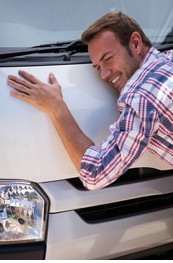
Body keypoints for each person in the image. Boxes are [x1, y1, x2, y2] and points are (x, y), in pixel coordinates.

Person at [7, 12, 173, 190]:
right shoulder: (167, 60)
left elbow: (96, 173)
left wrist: (57, 108)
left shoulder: (143, 96)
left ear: (135, 43)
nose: (104, 74)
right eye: (97, 67)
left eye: (108, 59)